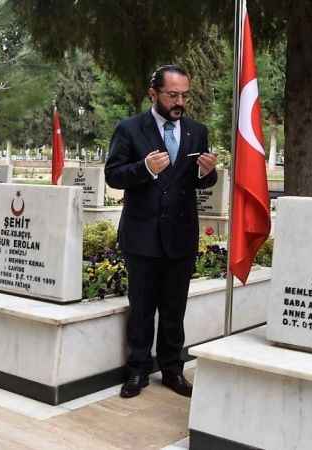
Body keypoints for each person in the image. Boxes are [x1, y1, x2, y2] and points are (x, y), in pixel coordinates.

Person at [105, 65, 218, 399]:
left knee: (174, 309)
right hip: (142, 235)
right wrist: (144, 169)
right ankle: (136, 371)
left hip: (181, 236)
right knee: (141, 309)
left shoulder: (198, 130)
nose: (179, 101)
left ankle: (172, 370)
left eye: (184, 94)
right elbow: (113, 175)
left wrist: (208, 173)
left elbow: (201, 180)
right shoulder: (129, 129)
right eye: (172, 95)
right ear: (153, 93)